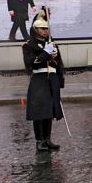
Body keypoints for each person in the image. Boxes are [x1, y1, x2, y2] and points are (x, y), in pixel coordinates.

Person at [23, 15, 65, 152]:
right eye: (42, 28)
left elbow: (58, 64)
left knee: (49, 110)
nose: (45, 31)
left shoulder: (51, 43)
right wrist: (44, 53)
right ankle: (39, 141)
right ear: (35, 29)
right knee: (39, 112)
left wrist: (55, 55)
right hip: (39, 79)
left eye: (46, 28)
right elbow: (31, 64)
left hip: (51, 78)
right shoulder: (28, 45)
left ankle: (47, 139)